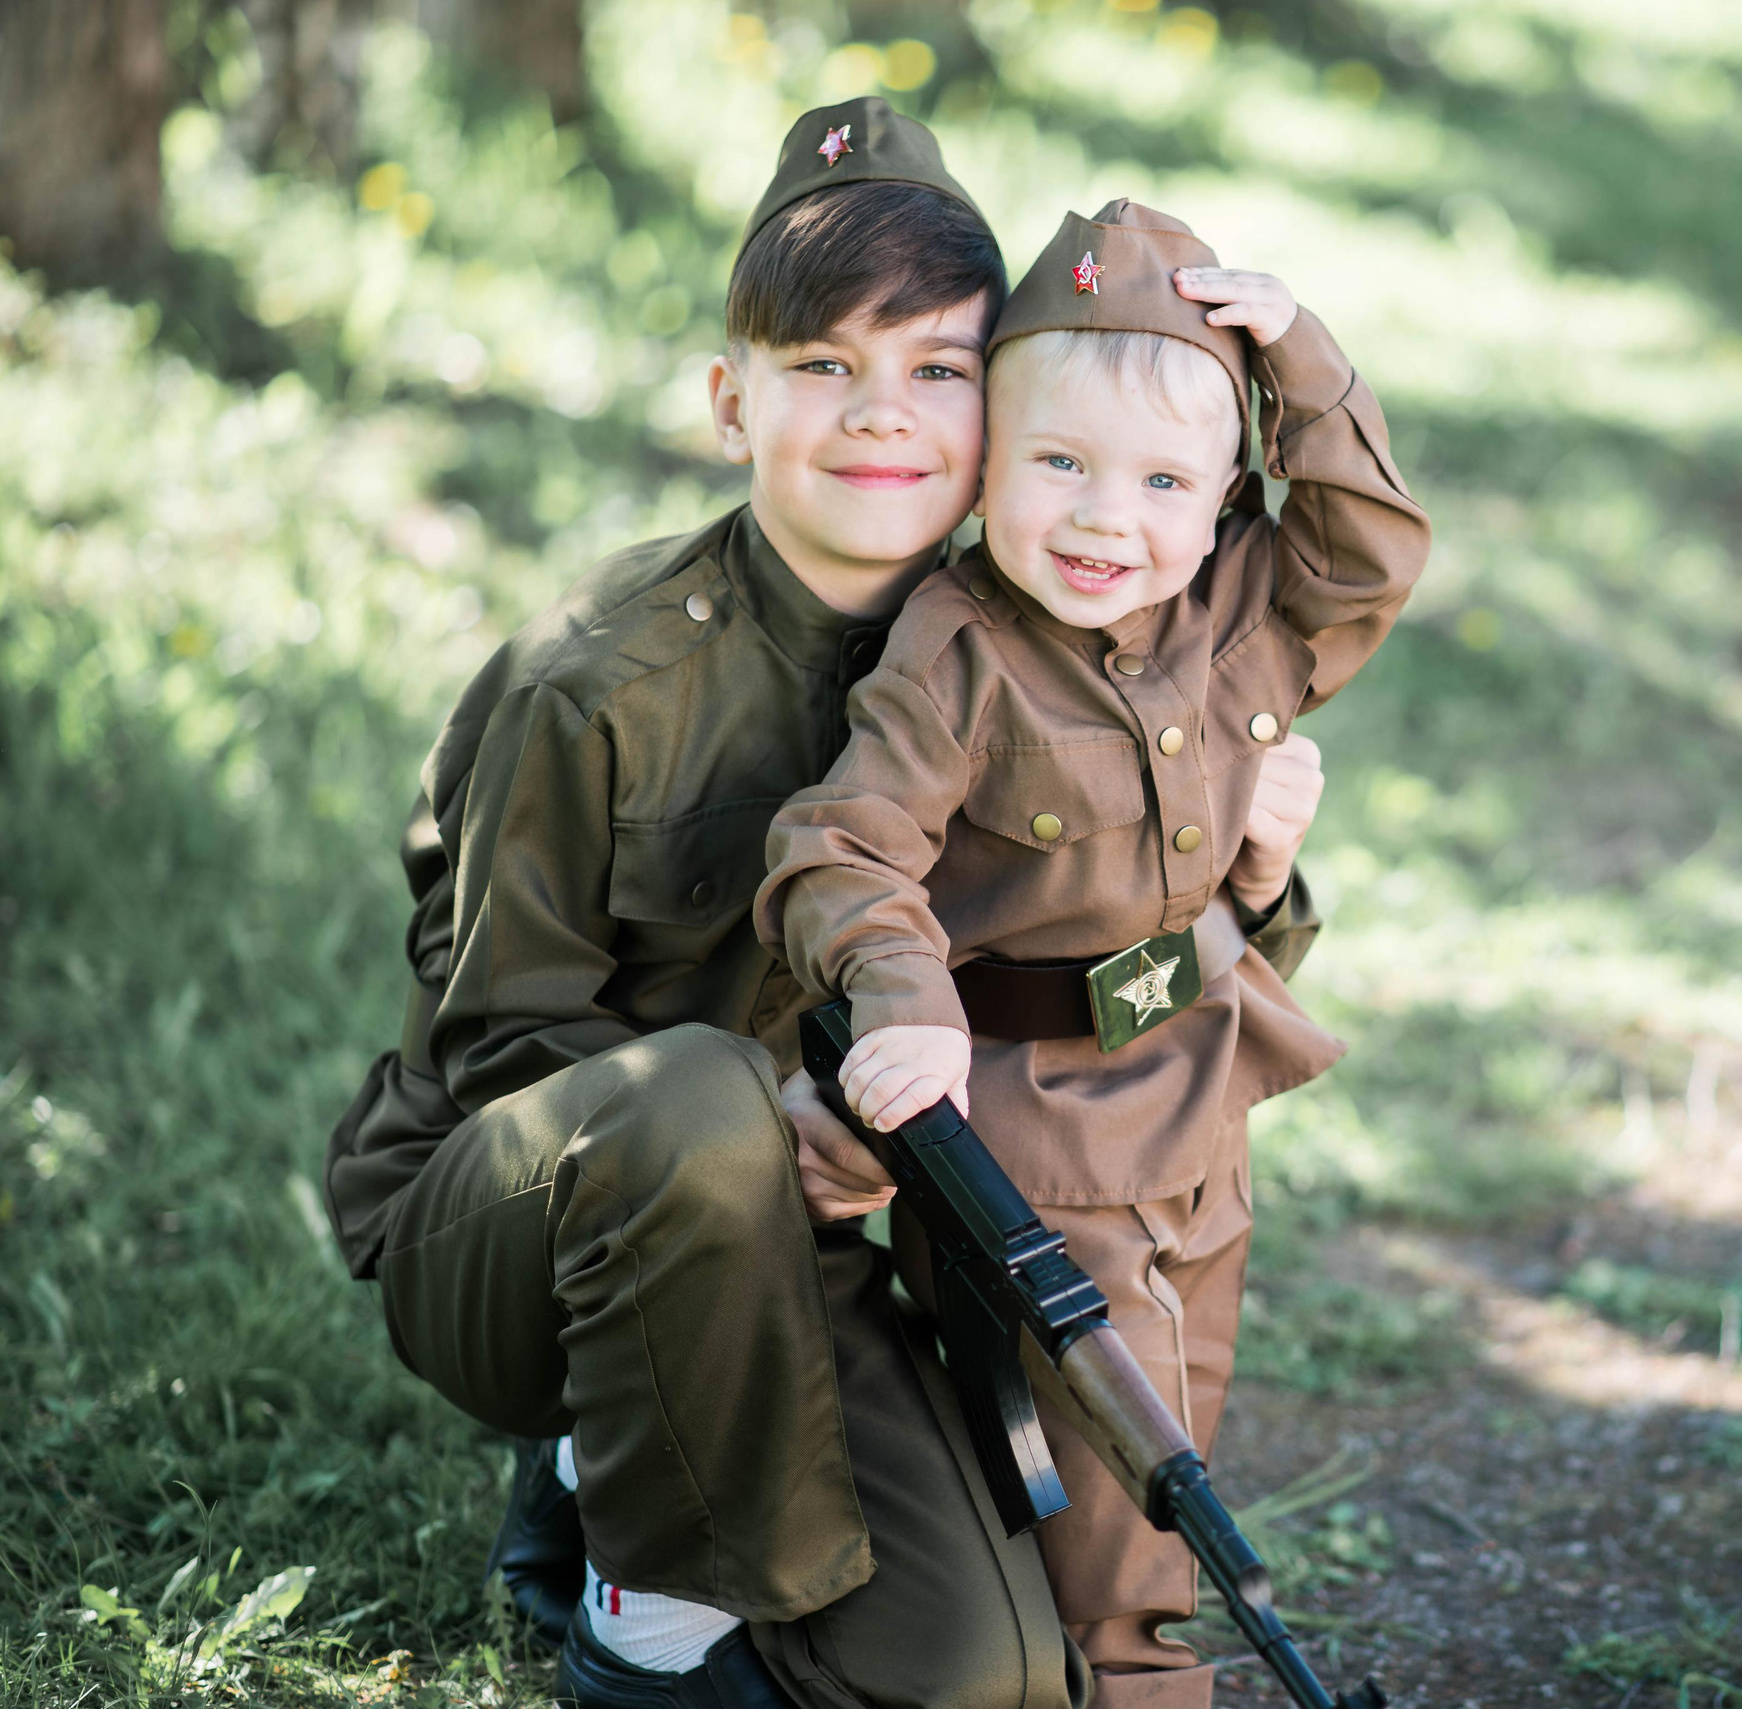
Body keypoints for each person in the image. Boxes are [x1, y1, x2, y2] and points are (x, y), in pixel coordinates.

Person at [320, 101, 1329, 1709]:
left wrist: (1256, 882)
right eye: (823, 367)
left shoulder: (1050, 643)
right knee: (707, 1100)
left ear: (1000, 406)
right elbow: (497, 1040)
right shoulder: (601, 680)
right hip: (531, 1223)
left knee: (976, 1677)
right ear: (734, 400)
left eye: (937, 368)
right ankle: (628, 1569)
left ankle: (669, 1465)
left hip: (819, 1236)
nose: (884, 417)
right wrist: (755, 1114)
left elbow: (1101, 975)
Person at [755, 200, 1430, 1709]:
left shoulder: (1230, 607)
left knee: (1179, 1405)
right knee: (1130, 1500)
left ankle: (1081, 1631)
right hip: (1033, 1130)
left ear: (1221, 504)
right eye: (1056, 462)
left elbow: (1373, 548)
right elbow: (843, 843)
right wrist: (903, 1004)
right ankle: (1134, 1679)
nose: (1102, 519)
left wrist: (1300, 356)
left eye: (1162, 481)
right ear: (987, 465)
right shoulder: (958, 648)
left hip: (1196, 1093)